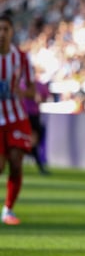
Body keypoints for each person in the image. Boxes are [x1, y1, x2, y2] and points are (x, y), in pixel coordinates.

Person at [0, 13, 36, 225]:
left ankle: (8, 210)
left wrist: (21, 91)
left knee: (15, 162)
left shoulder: (21, 58)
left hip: (16, 117)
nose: (2, 33)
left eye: (6, 29)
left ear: (12, 32)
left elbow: (33, 91)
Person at [22, 74, 51, 175]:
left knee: (34, 141)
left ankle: (39, 165)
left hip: (34, 116)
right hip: (23, 116)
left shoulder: (39, 85)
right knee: (30, 141)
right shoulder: (21, 84)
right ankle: (40, 167)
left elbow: (46, 97)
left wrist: (40, 99)